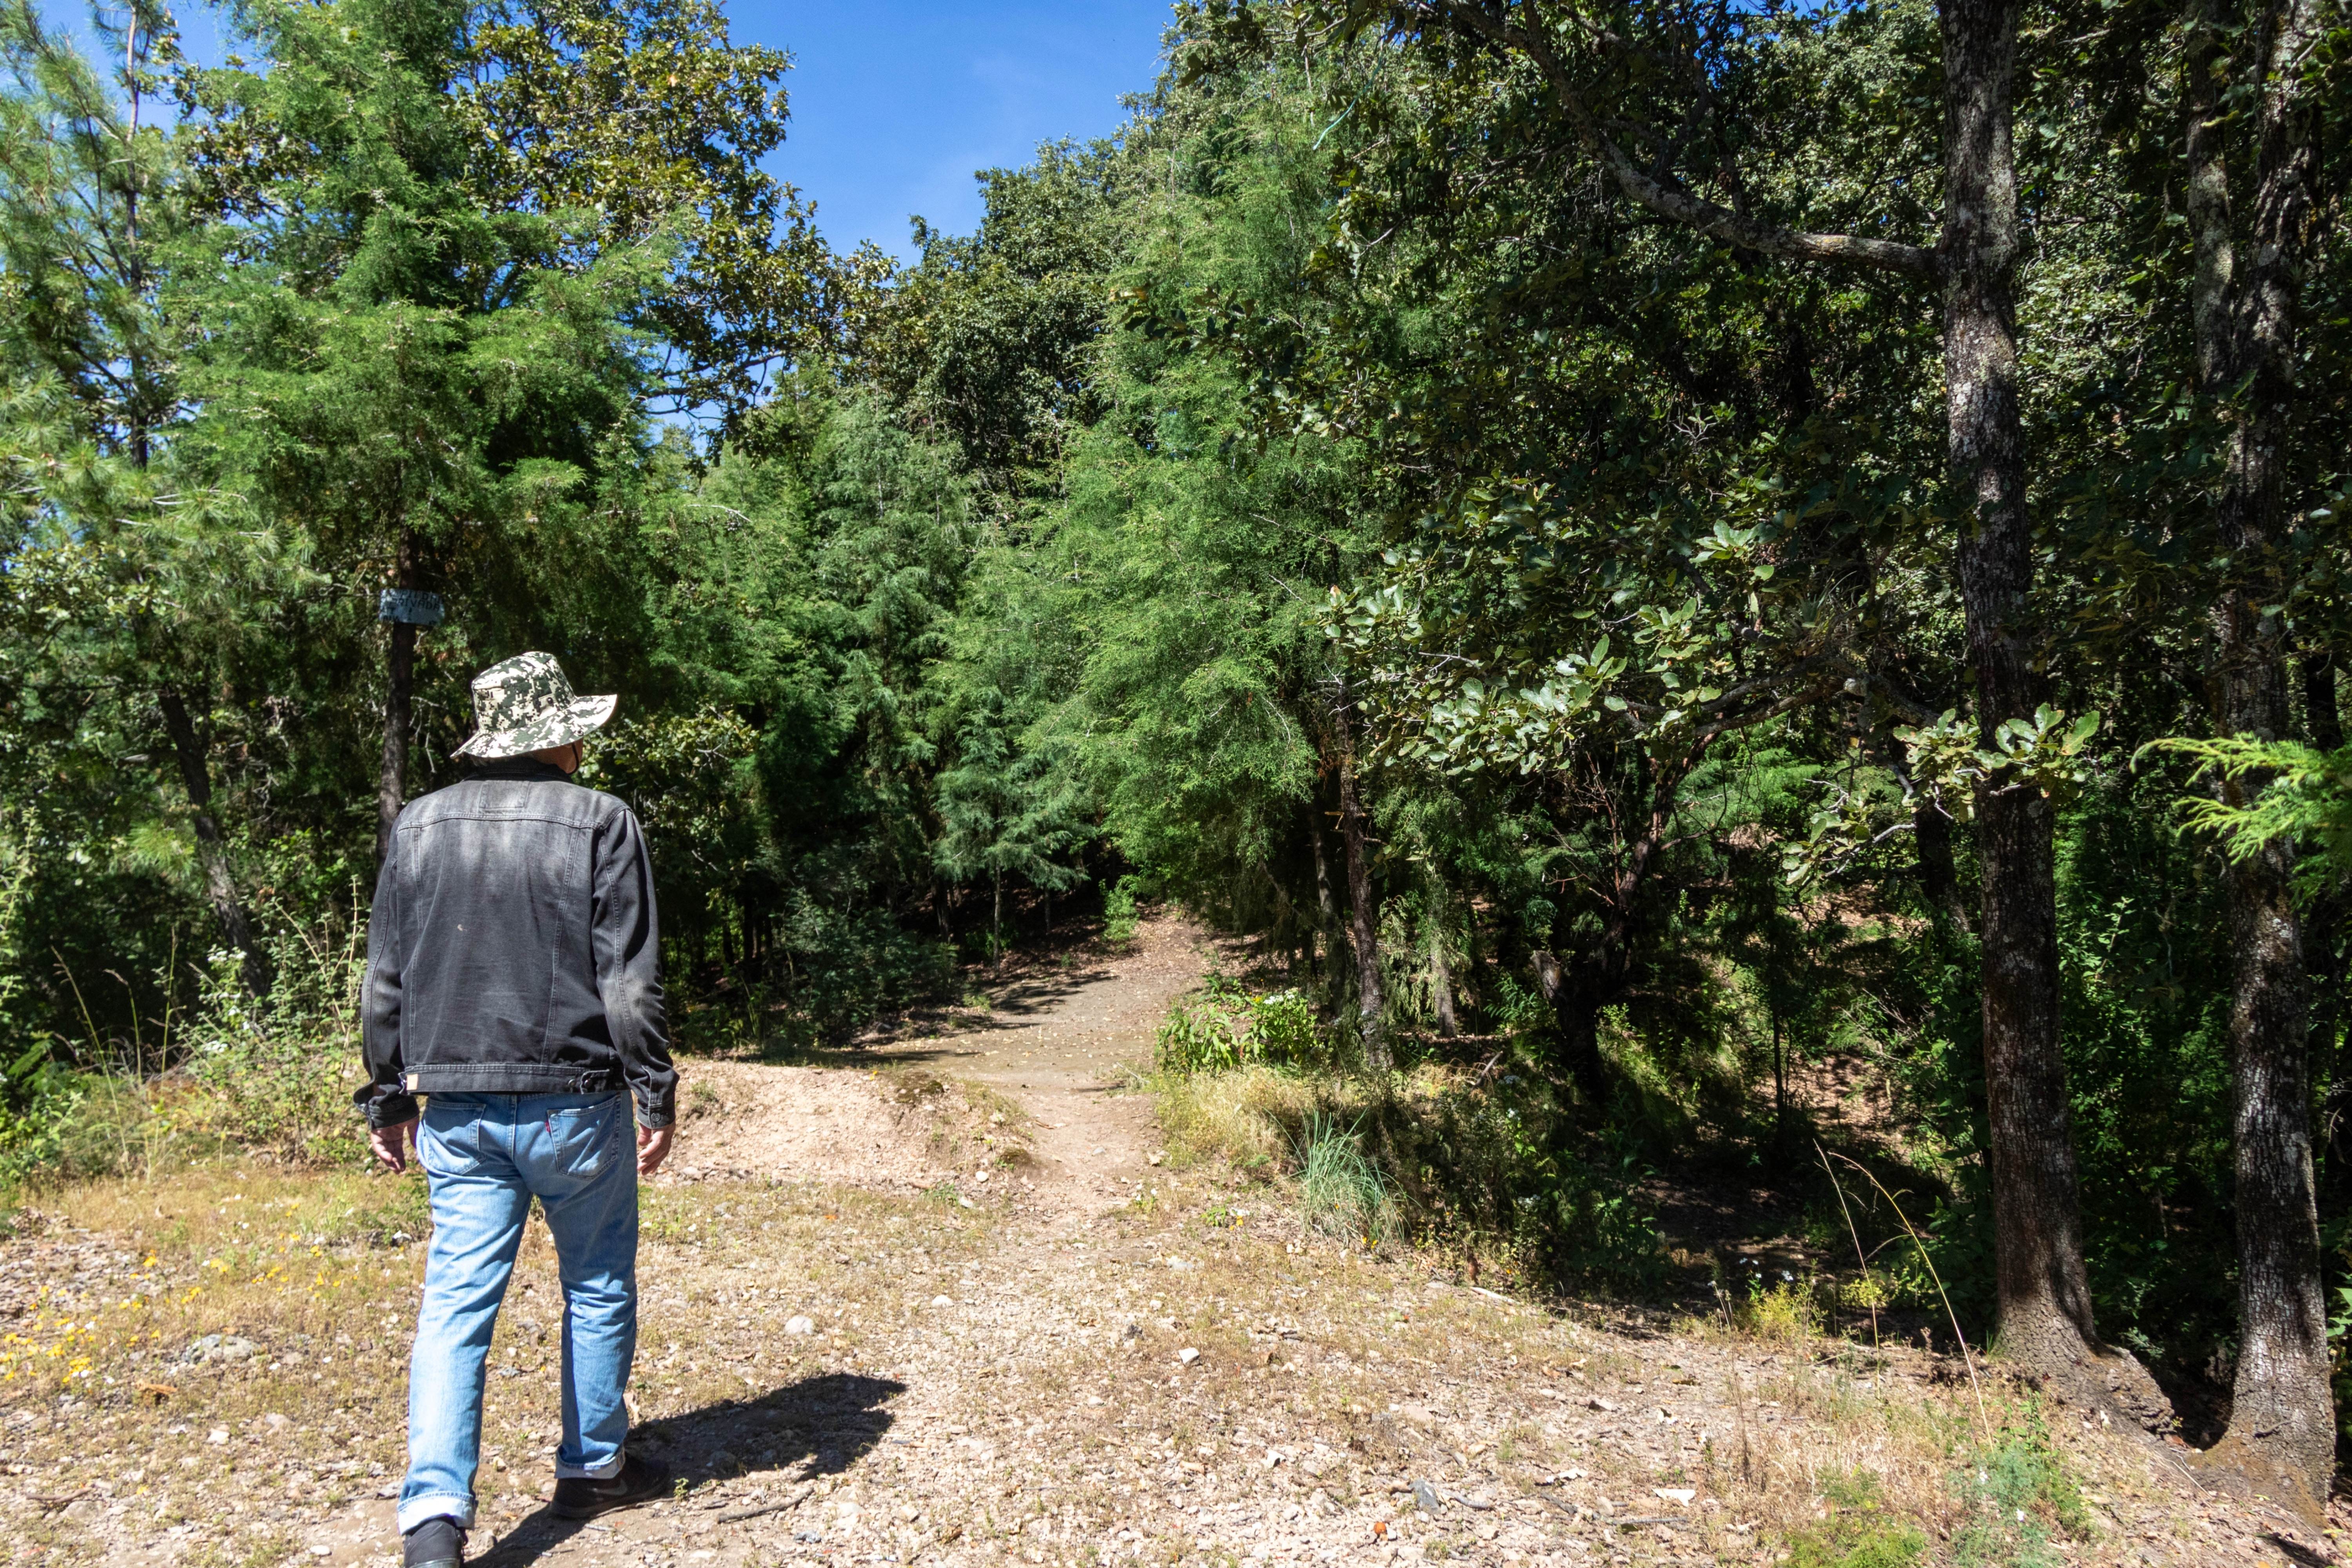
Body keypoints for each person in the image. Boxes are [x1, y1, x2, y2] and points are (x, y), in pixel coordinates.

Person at [359, 650, 679, 1568]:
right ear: (555, 733)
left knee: (456, 1302)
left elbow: (385, 977)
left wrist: (386, 1093)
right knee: (598, 1281)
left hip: (454, 1103)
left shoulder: (418, 825)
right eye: (576, 722)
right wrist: (654, 1085)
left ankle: (433, 1518)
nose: (584, 736)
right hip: (575, 1103)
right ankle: (592, 1466)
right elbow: (627, 978)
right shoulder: (601, 821)